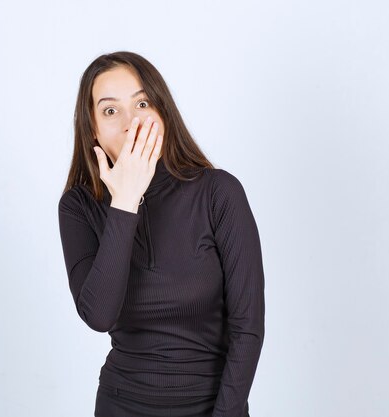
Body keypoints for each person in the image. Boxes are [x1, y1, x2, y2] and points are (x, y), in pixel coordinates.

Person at [57, 51, 265, 417]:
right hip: (122, 404)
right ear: (92, 129)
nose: (130, 121)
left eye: (141, 102)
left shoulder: (218, 193)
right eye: (110, 110)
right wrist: (125, 200)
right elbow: (99, 316)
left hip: (214, 407)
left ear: (163, 112)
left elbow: (247, 327)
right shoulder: (79, 206)